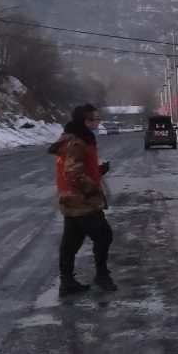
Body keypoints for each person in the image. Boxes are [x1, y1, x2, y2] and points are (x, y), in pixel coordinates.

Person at [48, 103, 116, 295]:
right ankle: (101, 275)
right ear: (86, 122)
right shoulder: (77, 142)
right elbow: (73, 174)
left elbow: (78, 168)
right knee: (103, 235)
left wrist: (98, 171)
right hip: (81, 200)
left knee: (72, 240)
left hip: (72, 199)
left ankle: (67, 281)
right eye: (96, 119)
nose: (99, 122)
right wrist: (93, 187)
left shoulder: (79, 138)